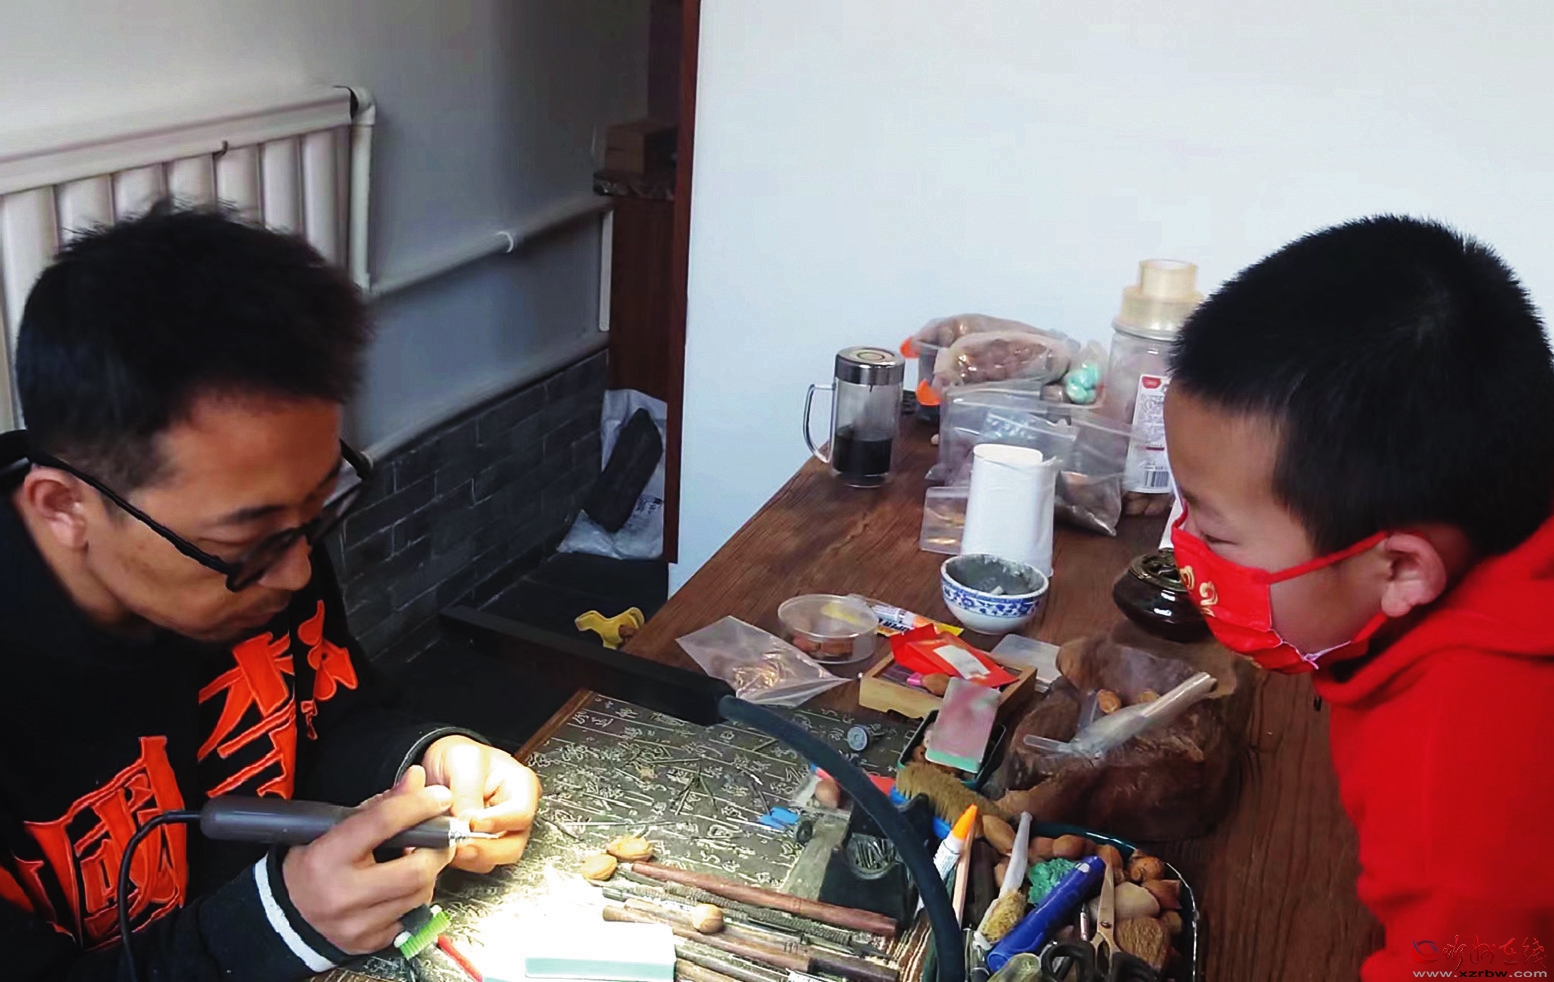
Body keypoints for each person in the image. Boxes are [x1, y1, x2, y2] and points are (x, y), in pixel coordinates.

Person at [0, 203, 542, 981]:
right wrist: (270, 930)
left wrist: (426, 763)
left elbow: (328, 721)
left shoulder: (264, 537)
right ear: (64, 508)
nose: (295, 574)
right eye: (247, 540)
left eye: (315, 508)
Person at [1164, 216, 1554, 979]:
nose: (1183, 548)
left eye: (1214, 530)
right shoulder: (1505, 489)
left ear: (1401, 568)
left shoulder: (1456, 781)